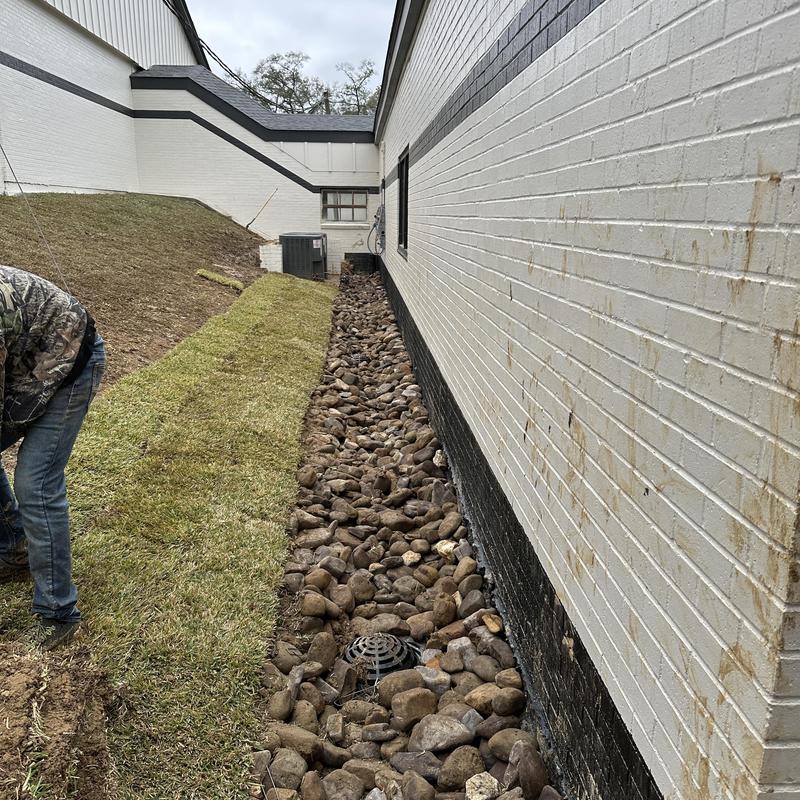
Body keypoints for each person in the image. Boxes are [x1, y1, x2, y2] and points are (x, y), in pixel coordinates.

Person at [0, 265, 105, 650]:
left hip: (71, 358)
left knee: (35, 483)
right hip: (25, 359)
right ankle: (15, 548)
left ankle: (58, 612)